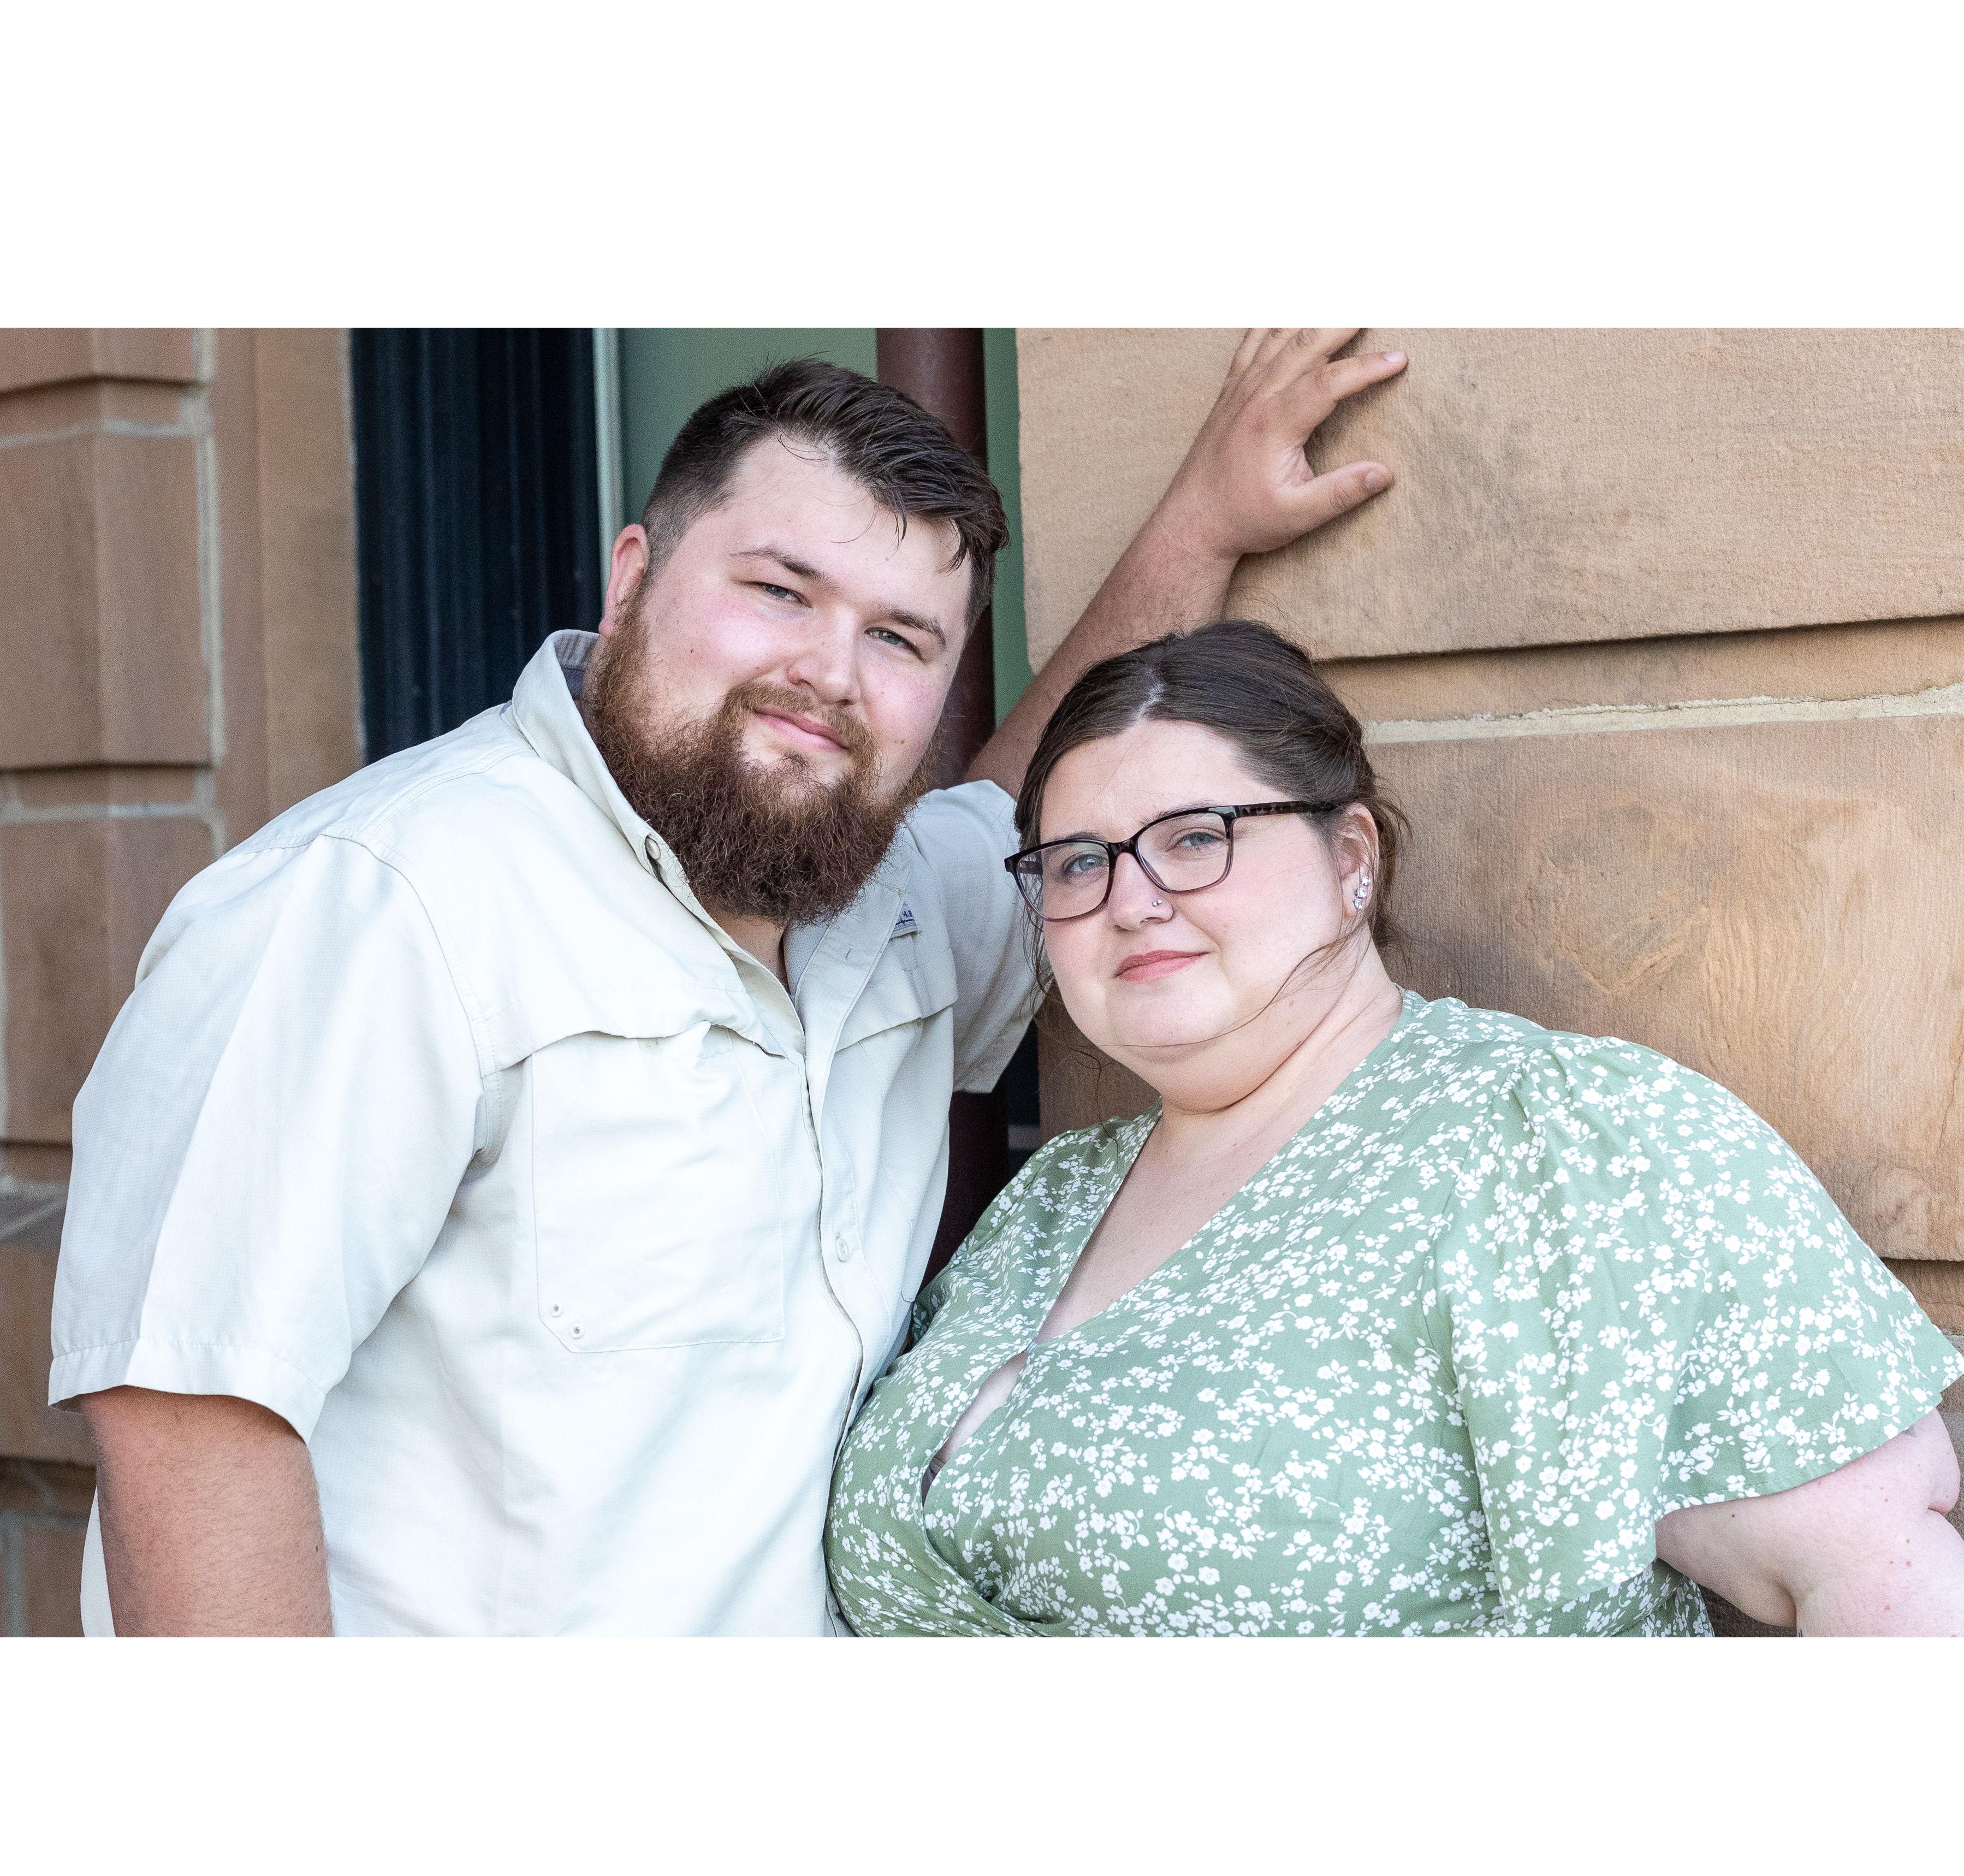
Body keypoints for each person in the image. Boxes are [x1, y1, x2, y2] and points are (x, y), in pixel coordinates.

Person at [51, 331, 1412, 1636]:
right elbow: (189, 1411)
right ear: (630, 576)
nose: (827, 674)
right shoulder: (376, 900)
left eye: (901, 639)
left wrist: (1201, 521)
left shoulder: (885, 909)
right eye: (778, 591)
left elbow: (1025, 811)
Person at [826, 620, 1964, 1636]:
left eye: (1195, 836)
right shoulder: (1049, 1200)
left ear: (1351, 861)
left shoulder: (1554, 1148)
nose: (1130, 899)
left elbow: (1882, 1578)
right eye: (1079, 861)